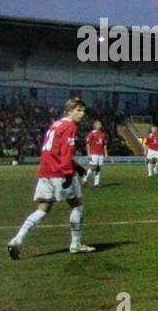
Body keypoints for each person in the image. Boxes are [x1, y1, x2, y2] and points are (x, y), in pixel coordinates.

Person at [6, 98, 95, 258]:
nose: (82, 114)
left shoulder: (55, 125)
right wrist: (69, 172)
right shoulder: (69, 126)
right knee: (77, 205)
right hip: (60, 172)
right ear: (69, 111)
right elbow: (65, 152)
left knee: (42, 209)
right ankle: (75, 244)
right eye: (78, 110)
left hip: (45, 171)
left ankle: (17, 240)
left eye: (83, 111)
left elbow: (54, 151)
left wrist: (78, 168)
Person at [83, 119, 108, 188]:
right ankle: (85, 178)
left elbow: (104, 144)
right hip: (93, 153)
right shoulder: (91, 133)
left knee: (98, 168)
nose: (99, 125)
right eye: (98, 124)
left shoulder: (102, 134)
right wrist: (88, 153)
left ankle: (96, 183)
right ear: (94, 125)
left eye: (100, 124)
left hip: (101, 153)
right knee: (93, 167)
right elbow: (87, 144)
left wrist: (106, 153)